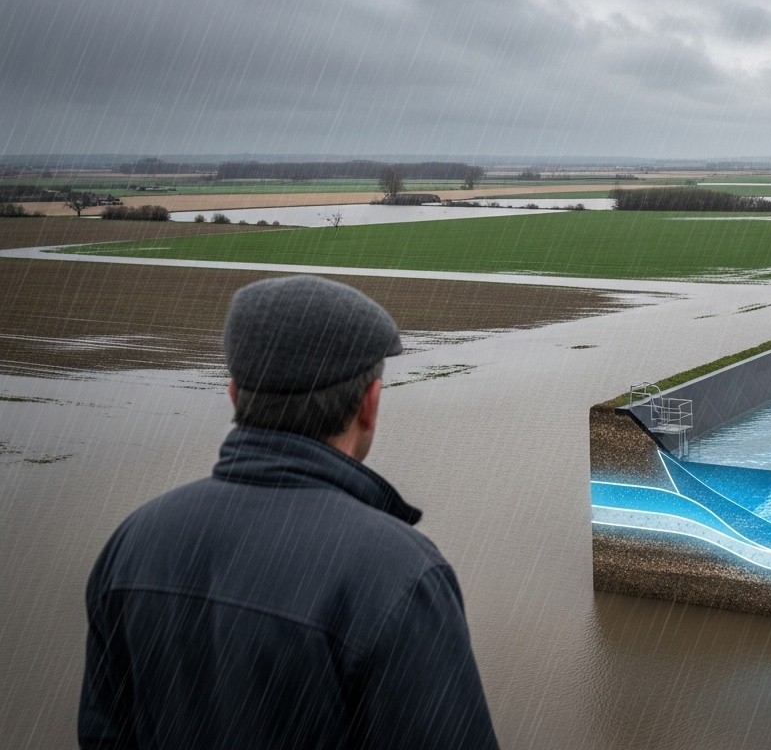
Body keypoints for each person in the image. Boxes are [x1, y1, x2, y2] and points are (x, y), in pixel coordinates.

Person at [80, 275, 498, 749]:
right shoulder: (399, 575)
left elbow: (103, 735)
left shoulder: (134, 543)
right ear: (369, 404)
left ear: (235, 395)